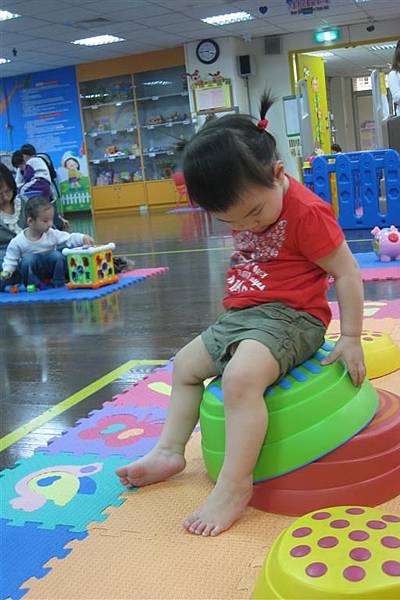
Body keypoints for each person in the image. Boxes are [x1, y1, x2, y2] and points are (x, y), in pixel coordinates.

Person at [116, 92, 366, 537]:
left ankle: (234, 486)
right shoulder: (248, 203)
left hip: (294, 317)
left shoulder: (307, 213)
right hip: (244, 317)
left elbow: (346, 272)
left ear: (278, 174)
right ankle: (170, 450)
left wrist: (350, 337)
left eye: (254, 213)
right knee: (185, 366)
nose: (248, 226)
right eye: (232, 221)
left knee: (239, 379)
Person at [1, 196, 94, 288]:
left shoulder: (51, 233)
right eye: (45, 221)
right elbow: (11, 259)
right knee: (28, 260)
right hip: (33, 274)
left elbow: (68, 238)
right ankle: (33, 285)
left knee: (57, 255)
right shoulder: (18, 241)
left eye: (51, 220)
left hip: (49, 270)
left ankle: (59, 282)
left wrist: (83, 238)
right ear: (30, 221)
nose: (50, 224)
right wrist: (7, 271)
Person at [0, 163, 26, 285]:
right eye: (0, 194)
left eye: (7, 191)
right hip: (5, 257)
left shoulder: (24, 202)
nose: (5, 197)